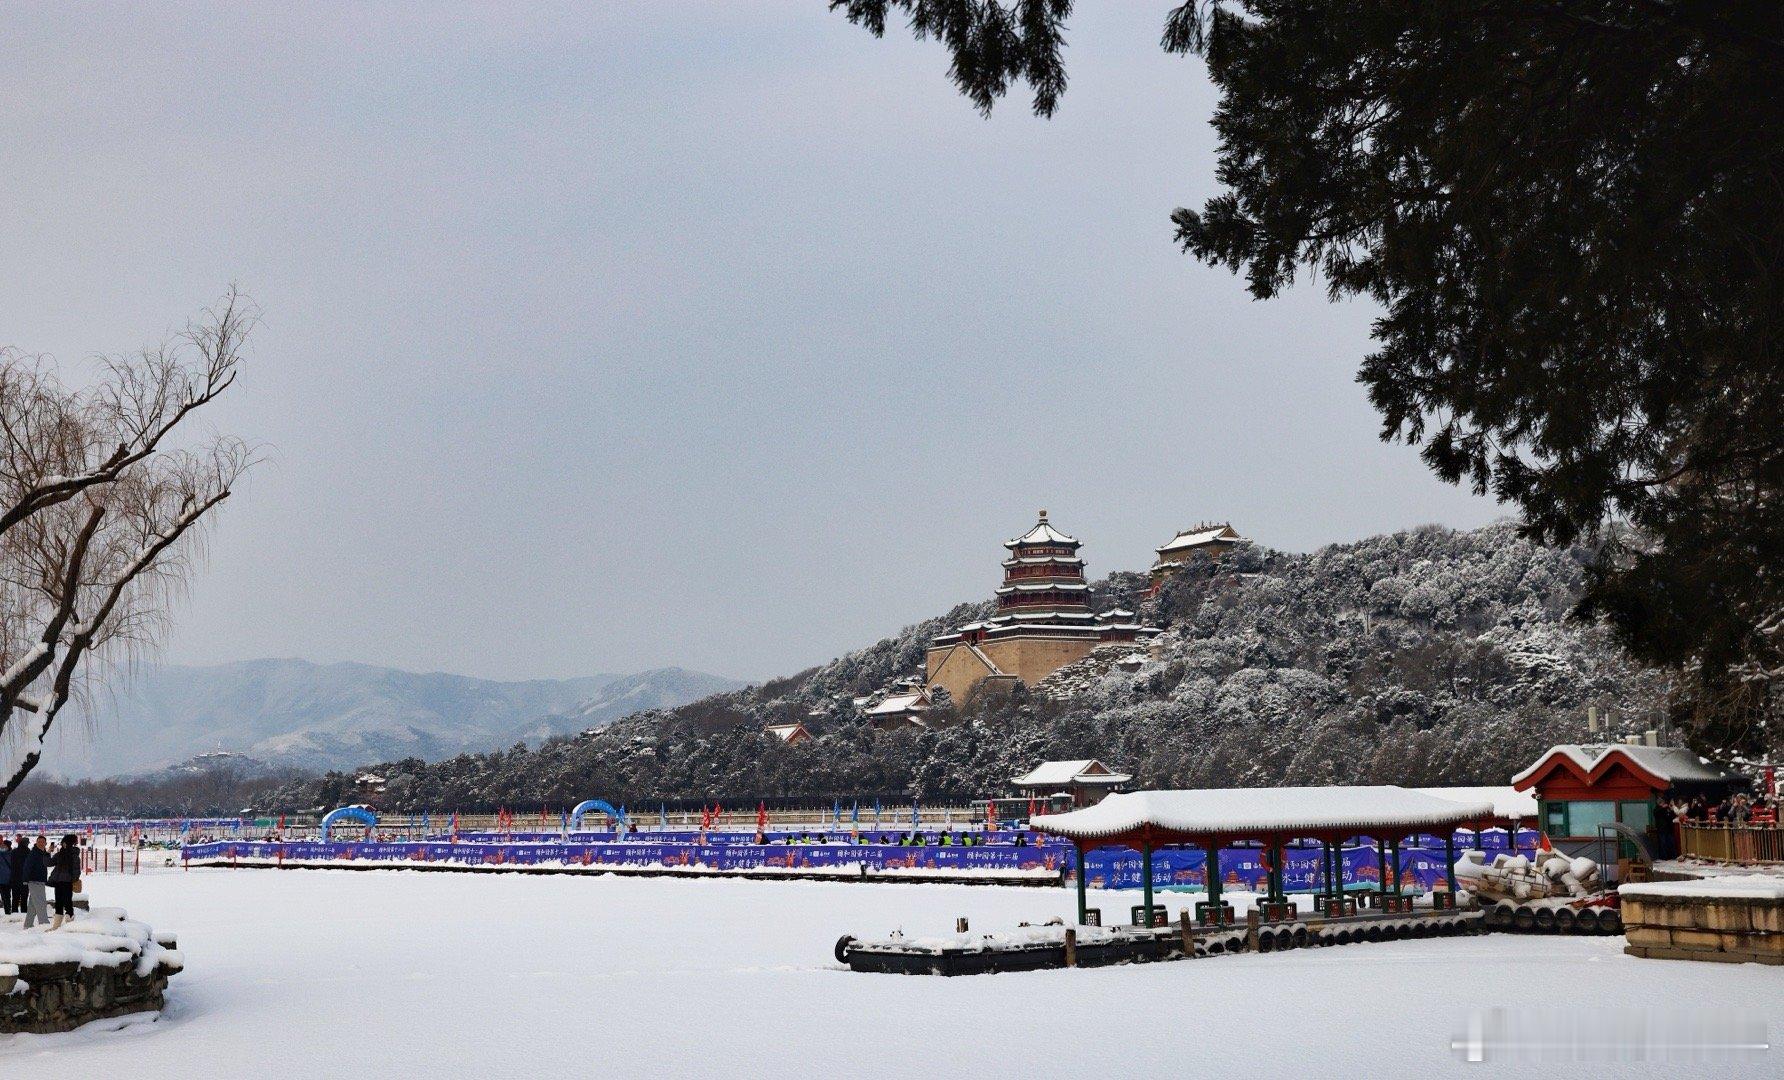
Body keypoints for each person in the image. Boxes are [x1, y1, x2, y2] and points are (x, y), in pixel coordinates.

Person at [47, 834, 79, 930]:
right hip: (60, 882)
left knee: (63, 903)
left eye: (63, 843)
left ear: (66, 843)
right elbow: (48, 863)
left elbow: (76, 870)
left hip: (65, 882)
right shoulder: (62, 854)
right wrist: (49, 851)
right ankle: (60, 926)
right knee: (63, 903)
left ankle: (63, 926)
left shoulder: (71, 855)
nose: (62, 844)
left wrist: (73, 879)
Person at [21, 836, 48, 930]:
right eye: (39, 841)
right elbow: (27, 866)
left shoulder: (43, 853)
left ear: (45, 843)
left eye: (43, 842)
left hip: (40, 881)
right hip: (34, 881)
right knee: (41, 903)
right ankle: (44, 925)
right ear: (36, 843)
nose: (41, 843)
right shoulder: (33, 853)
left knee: (33, 905)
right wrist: (25, 880)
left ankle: (28, 925)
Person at [8, 836, 27, 915]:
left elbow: (10, 864)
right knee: (24, 898)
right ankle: (24, 913)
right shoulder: (28, 852)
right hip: (24, 879)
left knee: (15, 898)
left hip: (14, 878)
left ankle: (14, 913)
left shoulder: (13, 852)